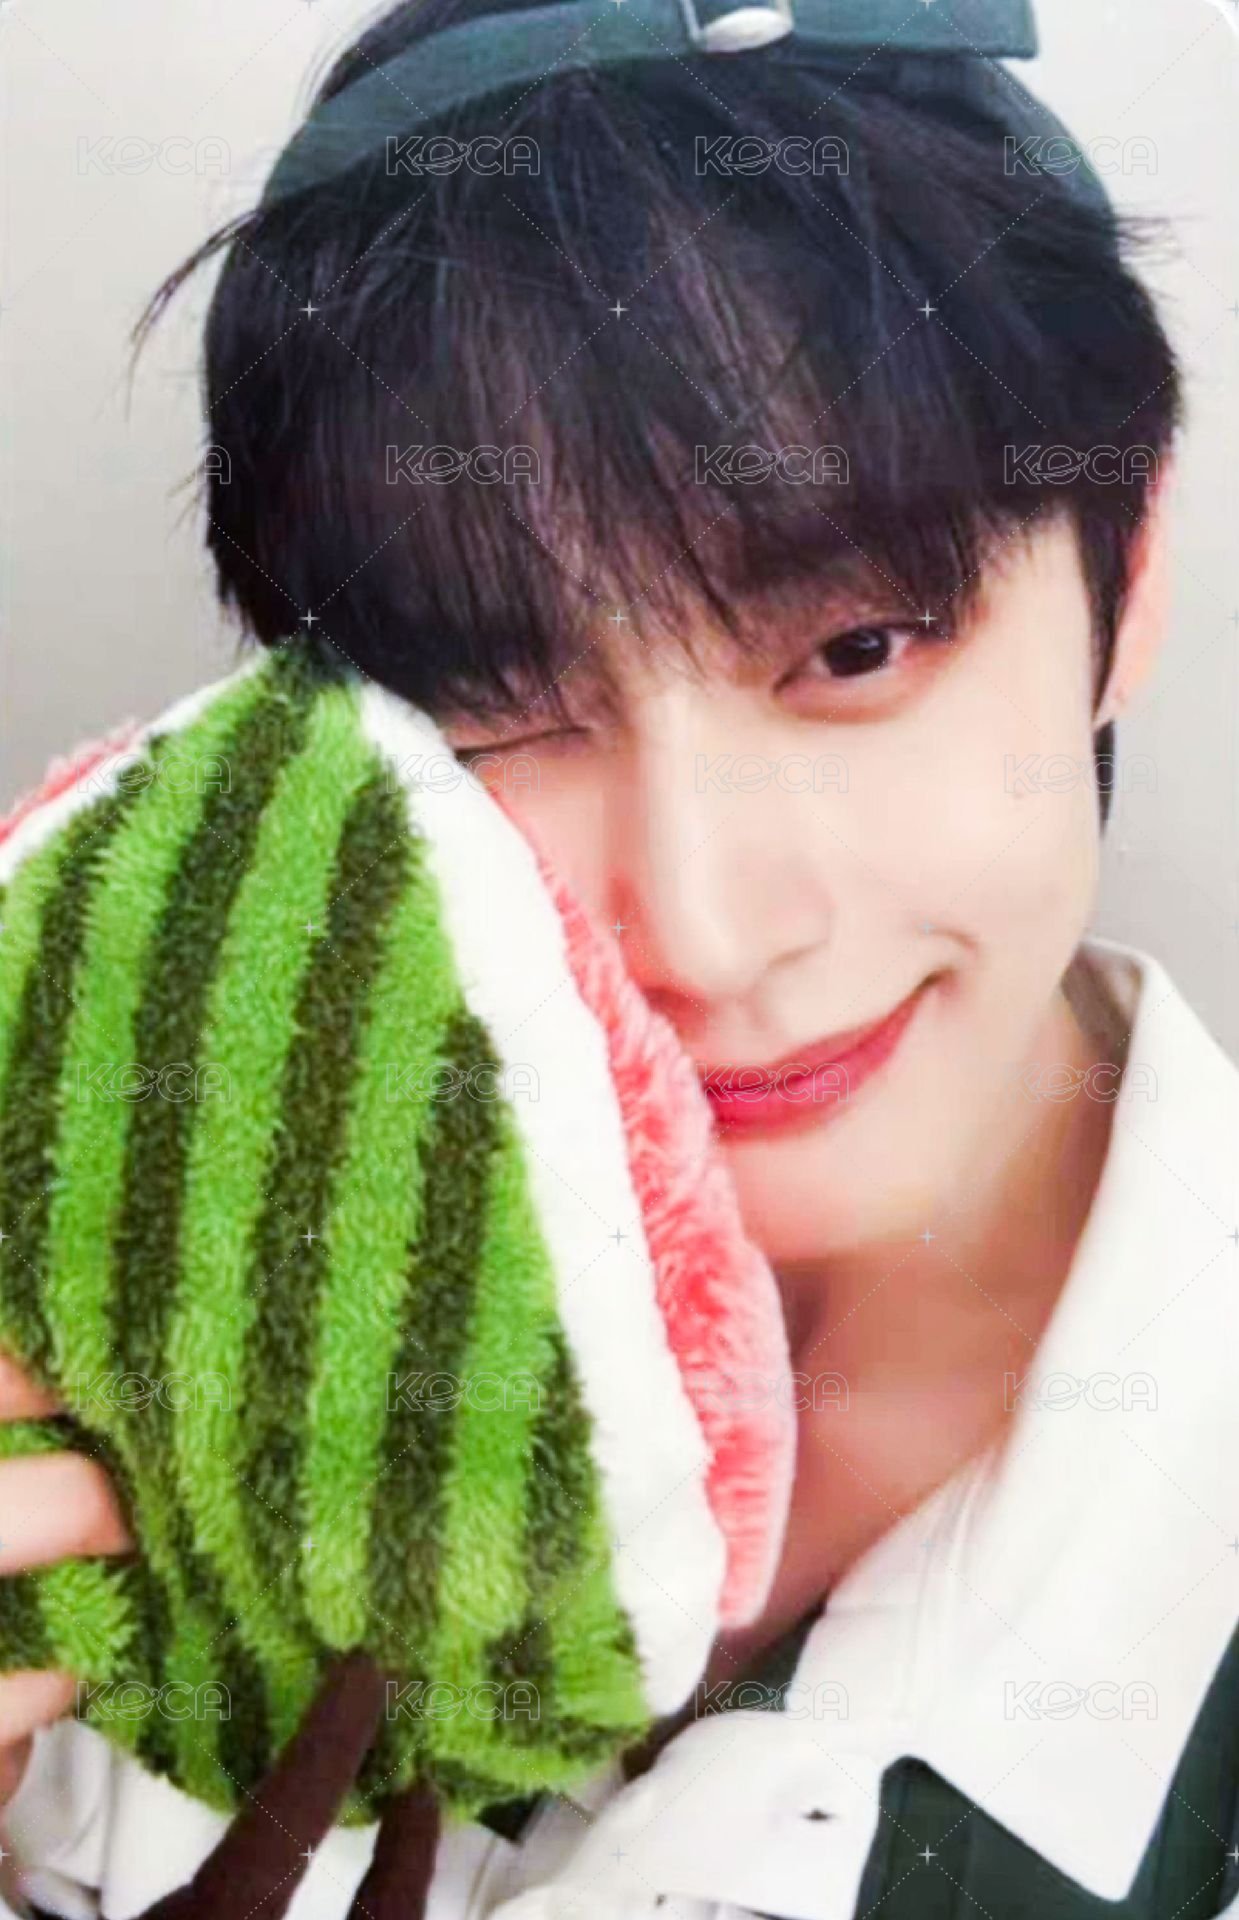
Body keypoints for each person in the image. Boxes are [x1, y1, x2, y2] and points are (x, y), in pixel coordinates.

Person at [3, 0, 1237, 1914]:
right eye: (499, 709)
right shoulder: (118, 1309)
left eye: (856, 651)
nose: (712, 930)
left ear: (1127, 571)